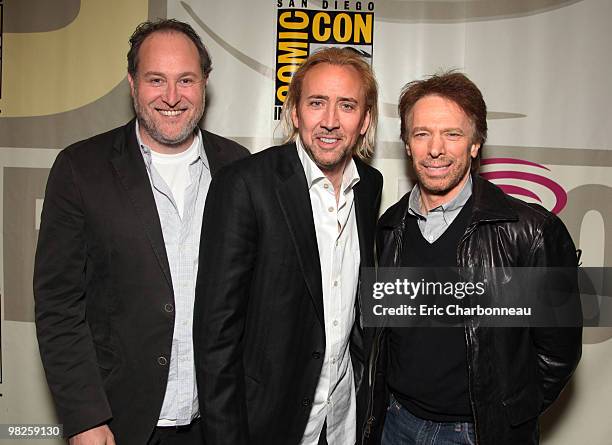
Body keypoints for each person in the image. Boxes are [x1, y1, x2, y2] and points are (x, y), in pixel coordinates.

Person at [34, 19, 248, 444]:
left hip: (218, 423)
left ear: (205, 83)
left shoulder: (239, 167)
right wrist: (84, 418)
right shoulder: (80, 169)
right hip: (120, 423)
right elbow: (58, 305)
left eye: (185, 79)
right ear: (132, 83)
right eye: (156, 80)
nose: (171, 97)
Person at [364, 72, 582, 445]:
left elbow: (558, 354)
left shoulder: (530, 232)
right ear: (407, 144)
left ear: (476, 143)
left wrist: (508, 416)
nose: (436, 149)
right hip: (395, 424)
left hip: (475, 433)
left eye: (452, 134)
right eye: (422, 134)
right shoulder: (389, 227)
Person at [193, 47, 383, 445]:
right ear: (295, 112)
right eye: (317, 103)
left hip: (343, 420)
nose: (330, 121)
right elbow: (216, 335)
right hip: (269, 424)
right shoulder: (244, 185)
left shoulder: (370, 187)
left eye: (347, 106)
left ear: (365, 120)